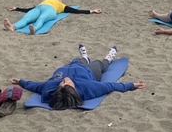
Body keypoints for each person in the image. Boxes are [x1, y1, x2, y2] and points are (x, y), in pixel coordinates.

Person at [10, 44, 146, 110]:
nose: (65, 80)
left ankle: (85, 56)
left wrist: (21, 81)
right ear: (74, 90)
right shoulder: (89, 88)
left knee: (79, 60)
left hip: (74, 65)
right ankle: (109, 57)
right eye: (66, 84)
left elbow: (35, 85)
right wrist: (132, 85)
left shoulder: (49, 88)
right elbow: (111, 86)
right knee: (100, 64)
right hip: (89, 72)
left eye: (62, 83)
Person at [2, 0, 101, 35]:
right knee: (26, 17)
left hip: (51, 10)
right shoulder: (46, 0)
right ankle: (13, 27)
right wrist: (17, 8)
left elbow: (76, 11)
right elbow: (29, 9)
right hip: (39, 7)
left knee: (42, 18)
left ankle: (34, 29)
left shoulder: (62, 6)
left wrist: (92, 11)